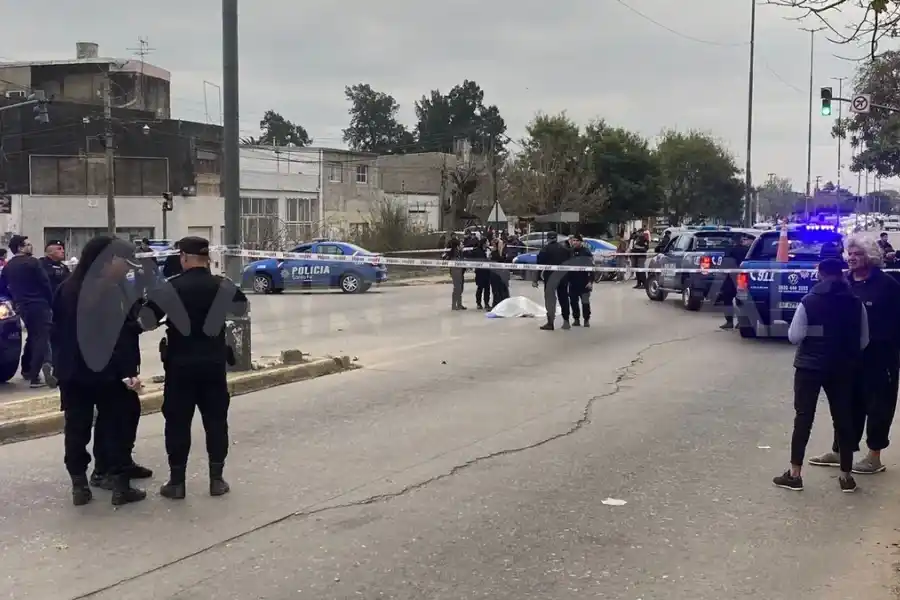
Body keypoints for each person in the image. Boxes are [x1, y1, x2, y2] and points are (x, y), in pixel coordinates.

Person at [147, 236, 248, 499]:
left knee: (177, 422)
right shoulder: (222, 285)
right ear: (207, 258)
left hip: (180, 366)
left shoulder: (171, 286)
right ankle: (217, 480)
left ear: (183, 258)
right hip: (213, 364)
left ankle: (177, 482)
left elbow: (147, 320)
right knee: (216, 421)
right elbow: (241, 308)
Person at [52, 236, 148, 506]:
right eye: (123, 263)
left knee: (77, 427)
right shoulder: (108, 292)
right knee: (115, 426)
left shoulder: (66, 288)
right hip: (105, 373)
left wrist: (59, 366)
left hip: (72, 373)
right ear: (107, 260)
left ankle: (79, 485)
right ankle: (119, 485)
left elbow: (56, 332)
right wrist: (128, 373)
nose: (126, 269)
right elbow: (115, 338)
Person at [774, 257, 869, 493]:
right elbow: (864, 340)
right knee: (843, 418)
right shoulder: (856, 303)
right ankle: (846, 476)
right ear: (842, 275)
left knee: (803, 417)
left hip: (810, 366)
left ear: (820, 274)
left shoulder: (809, 301)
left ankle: (795, 474)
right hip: (843, 367)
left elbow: (795, 336)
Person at [808, 236, 900, 474]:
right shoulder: (843, 282)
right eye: (849, 254)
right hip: (848, 356)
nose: (851, 258)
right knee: (846, 405)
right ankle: (841, 451)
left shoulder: (887, 285)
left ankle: (874, 456)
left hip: (880, 356)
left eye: (857, 254)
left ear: (870, 257)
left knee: (879, 406)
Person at [1, 235, 53, 387]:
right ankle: (36, 374)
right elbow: (45, 284)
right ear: (20, 247)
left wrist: (14, 300)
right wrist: (51, 302)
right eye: (27, 244)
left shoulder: (8, 266)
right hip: (39, 304)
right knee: (42, 338)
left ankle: (32, 368)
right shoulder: (33, 262)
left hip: (22, 306)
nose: (31, 246)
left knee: (34, 336)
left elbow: (3, 287)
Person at [534, 232, 572, 331]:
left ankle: (550, 323)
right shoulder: (565, 249)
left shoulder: (545, 249)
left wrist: (535, 279)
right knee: (564, 298)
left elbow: (539, 265)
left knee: (550, 300)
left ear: (548, 239)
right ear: (556, 238)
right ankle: (566, 321)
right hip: (563, 277)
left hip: (550, 278)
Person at [719, 234, 753, 330]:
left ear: (733, 241)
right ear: (741, 240)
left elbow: (725, 264)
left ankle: (729, 322)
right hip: (743, 278)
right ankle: (741, 322)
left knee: (727, 300)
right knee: (742, 301)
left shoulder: (730, 250)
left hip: (731, 279)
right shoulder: (747, 250)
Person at [567, 234, 593, 327]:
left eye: (577, 241)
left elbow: (591, 267)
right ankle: (576, 319)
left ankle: (586, 319)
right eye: (573, 240)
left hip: (584, 281)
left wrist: (590, 281)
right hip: (572, 281)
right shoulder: (570, 252)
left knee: (585, 302)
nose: (575, 242)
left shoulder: (586, 252)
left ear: (581, 242)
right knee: (573, 301)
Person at [443, 237, 466, 310]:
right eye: (461, 244)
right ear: (458, 246)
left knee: (460, 288)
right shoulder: (455, 253)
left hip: (460, 272)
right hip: (456, 273)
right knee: (457, 288)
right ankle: (454, 305)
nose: (463, 245)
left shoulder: (460, 252)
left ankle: (459, 304)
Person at [489, 237, 511, 306]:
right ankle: (496, 304)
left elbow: (505, 260)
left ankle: (503, 304)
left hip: (502, 274)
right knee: (496, 291)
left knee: (503, 290)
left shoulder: (503, 252)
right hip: (495, 274)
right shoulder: (494, 253)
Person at [471, 238, 492, 310]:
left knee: (487, 289)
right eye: (487, 242)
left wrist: (489, 257)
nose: (488, 243)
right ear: (484, 243)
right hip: (480, 272)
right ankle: (478, 303)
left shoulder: (488, 250)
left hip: (487, 272)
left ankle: (486, 303)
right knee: (480, 288)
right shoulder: (477, 251)